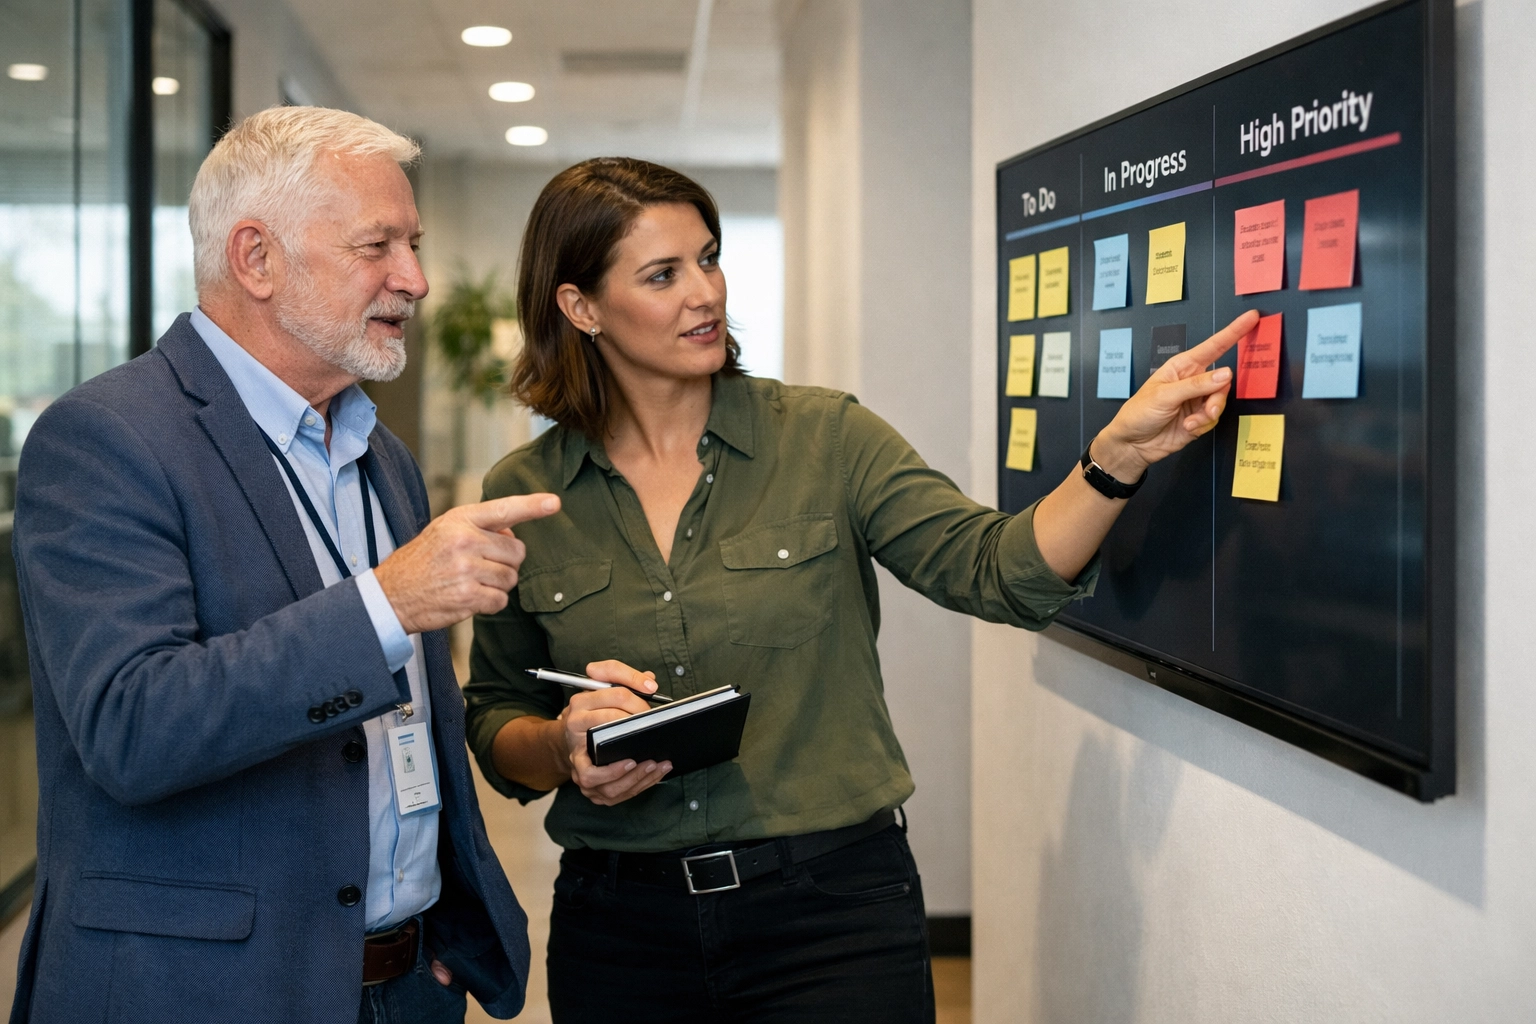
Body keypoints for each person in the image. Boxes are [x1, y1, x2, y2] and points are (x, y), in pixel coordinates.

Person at [462, 157, 1256, 1023]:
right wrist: (563, 747)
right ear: (580, 307)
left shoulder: (825, 437)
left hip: (830, 919)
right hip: (621, 933)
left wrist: (1118, 457)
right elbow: (496, 715)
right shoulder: (525, 495)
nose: (705, 293)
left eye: (709, 258)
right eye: (663, 275)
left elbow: (991, 569)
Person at [8, 106, 560, 1024]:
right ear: (256, 258)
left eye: (413, 245)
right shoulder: (105, 438)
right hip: (204, 996)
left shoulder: (380, 454)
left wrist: (432, 948)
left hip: (404, 985)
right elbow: (132, 725)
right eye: (376, 246)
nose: (415, 280)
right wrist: (386, 603)